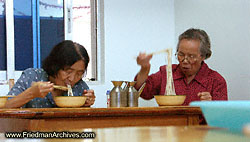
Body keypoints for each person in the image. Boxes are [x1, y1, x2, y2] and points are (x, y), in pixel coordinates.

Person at [134, 28, 228, 105]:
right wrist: (144, 68)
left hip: (199, 128)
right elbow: (142, 91)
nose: (185, 61)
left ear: (203, 56)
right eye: (181, 54)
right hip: (168, 127)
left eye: (191, 56)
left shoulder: (216, 81)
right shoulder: (166, 73)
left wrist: (211, 105)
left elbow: (222, 118)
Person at [5, 40, 95, 108]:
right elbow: (6, 106)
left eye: (79, 73)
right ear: (55, 66)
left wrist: (86, 102)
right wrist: (31, 93)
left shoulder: (80, 87)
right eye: (68, 71)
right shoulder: (32, 76)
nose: (72, 78)